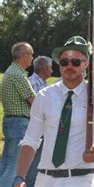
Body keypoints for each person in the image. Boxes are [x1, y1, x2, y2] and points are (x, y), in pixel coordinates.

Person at [14, 36, 94, 187]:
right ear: (59, 65)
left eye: (76, 62)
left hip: (81, 180)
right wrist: (19, 178)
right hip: (45, 179)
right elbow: (30, 139)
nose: (69, 66)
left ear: (86, 64)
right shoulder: (44, 96)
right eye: (64, 62)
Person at [0, 42, 35, 187]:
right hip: (19, 123)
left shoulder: (10, 71)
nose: (33, 58)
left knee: (6, 164)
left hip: (10, 121)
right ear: (25, 56)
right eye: (32, 54)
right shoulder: (18, 75)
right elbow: (34, 101)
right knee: (14, 167)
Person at [26, 56, 53, 186]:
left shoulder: (43, 84)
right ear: (44, 68)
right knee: (33, 161)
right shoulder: (33, 83)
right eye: (50, 68)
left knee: (40, 160)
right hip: (36, 128)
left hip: (44, 128)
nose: (52, 71)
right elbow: (39, 108)